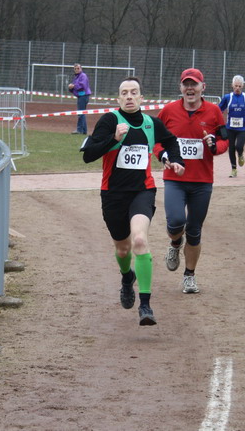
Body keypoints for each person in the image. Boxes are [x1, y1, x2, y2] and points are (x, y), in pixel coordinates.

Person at [82, 76, 185, 326]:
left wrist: (175, 159)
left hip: (142, 191)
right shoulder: (109, 121)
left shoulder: (151, 123)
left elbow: (170, 140)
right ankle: (127, 277)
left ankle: (145, 305)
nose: (129, 96)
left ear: (141, 97)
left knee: (139, 240)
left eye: (134, 92)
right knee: (122, 249)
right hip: (113, 194)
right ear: (118, 98)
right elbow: (88, 155)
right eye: (124, 93)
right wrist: (114, 139)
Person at [156, 68, 228, 294]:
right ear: (180, 87)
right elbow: (155, 139)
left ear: (202, 88)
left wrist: (215, 146)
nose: (190, 88)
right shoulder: (168, 111)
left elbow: (224, 140)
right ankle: (175, 243)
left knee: (195, 231)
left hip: (202, 181)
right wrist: (163, 154)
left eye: (194, 84)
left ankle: (189, 276)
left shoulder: (214, 112)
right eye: (186, 84)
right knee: (176, 222)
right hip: (174, 179)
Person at [218, 75, 245, 178]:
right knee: (231, 149)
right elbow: (219, 109)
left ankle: (240, 154)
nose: (237, 88)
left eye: (239, 86)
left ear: (243, 86)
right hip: (230, 128)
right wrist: (219, 116)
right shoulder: (227, 97)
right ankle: (234, 169)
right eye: (236, 86)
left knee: (239, 146)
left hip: (242, 128)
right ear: (232, 85)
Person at [68, 63, 91, 134]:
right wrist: (70, 88)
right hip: (80, 96)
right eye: (75, 69)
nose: (76, 70)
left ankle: (80, 130)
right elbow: (75, 87)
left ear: (81, 69)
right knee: (82, 113)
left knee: (81, 113)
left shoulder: (83, 76)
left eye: (78, 68)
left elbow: (82, 85)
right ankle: (84, 130)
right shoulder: (76, 77)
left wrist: (73, 86)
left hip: (83, 96)